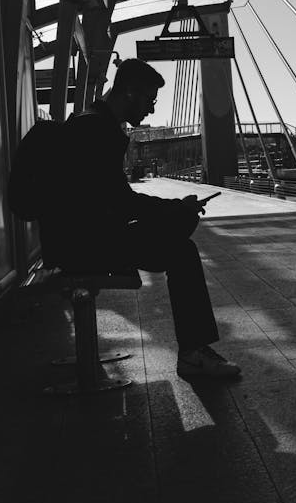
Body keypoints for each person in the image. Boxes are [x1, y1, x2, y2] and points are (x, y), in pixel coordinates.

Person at [41, 59, 240, 380]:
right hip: (82, 246)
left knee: (177, 232)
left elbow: (109, 202)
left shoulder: (88, 122)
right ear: (129, 93)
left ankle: (194, 352)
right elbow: (121, 203)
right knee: (182, 251)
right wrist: (174, 209)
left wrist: (173, 210)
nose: (150, 108)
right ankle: (193, 354)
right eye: (149, 99)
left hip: (73, 237)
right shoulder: (97, 130)